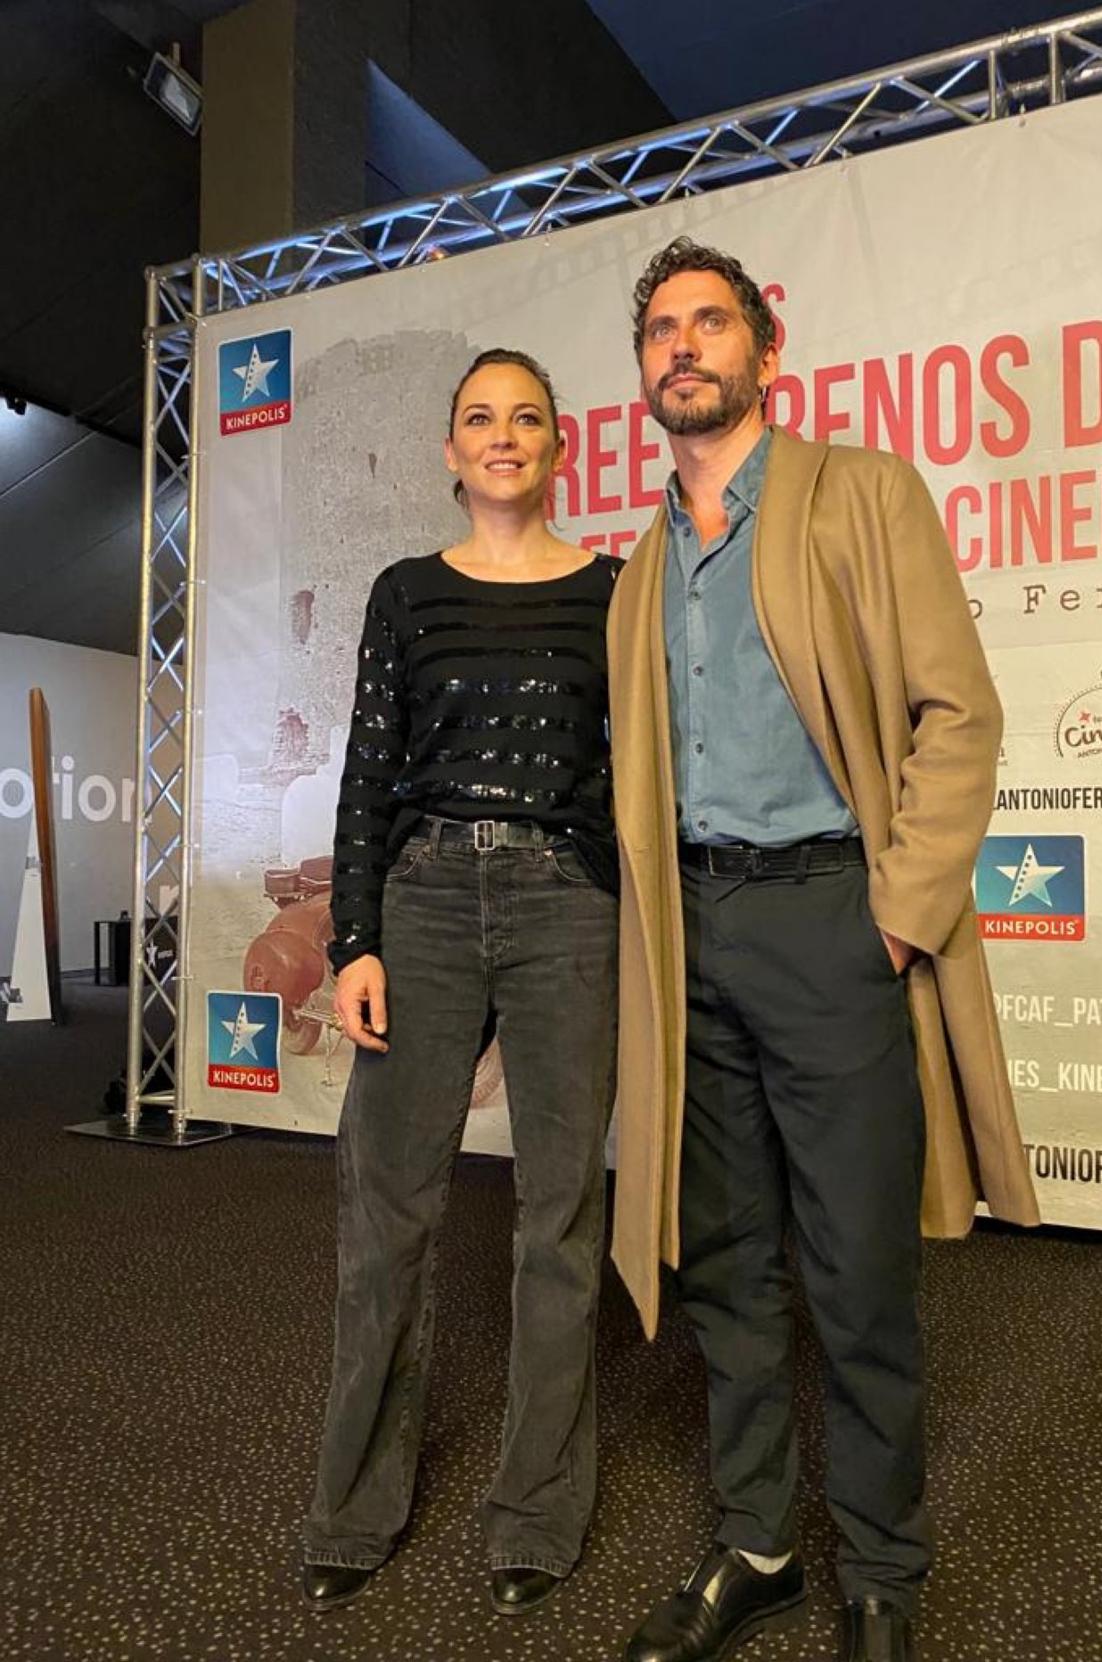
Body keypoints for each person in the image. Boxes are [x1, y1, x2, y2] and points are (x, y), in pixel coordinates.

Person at [606, 238, 1040, 1662]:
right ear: (645, 371)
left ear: (765, 351)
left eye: (710, 323)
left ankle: (886, 1574)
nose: (685, 347)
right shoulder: (645, 565)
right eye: (662, 329)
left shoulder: (860, 493)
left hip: (830, 923)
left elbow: (956, 713)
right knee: (730, 1266)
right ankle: (762, 1544)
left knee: (857, 1271)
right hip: (695, 932)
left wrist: (899, 913)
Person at [301, 348, 620, 1620]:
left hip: (566, 908)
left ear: (558, 446)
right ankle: (353, 1506)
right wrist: (353, 939)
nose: (502, 436)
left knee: (560, 1220)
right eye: (479, 418)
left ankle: (536, 1511)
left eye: (525, 418)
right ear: (451, 449)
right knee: (386, 1221)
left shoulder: (610, 591)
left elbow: (635, 768)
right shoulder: (404, 593)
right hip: (423, 903)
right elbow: (369, 768)